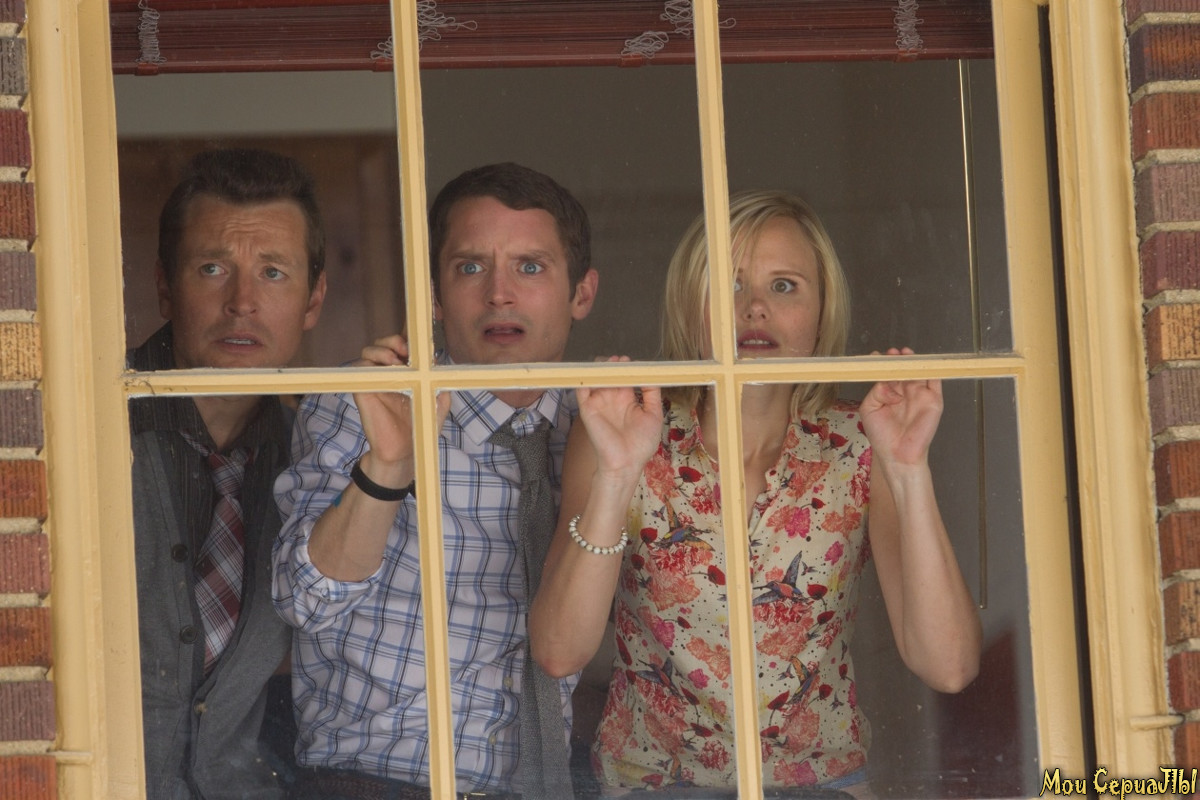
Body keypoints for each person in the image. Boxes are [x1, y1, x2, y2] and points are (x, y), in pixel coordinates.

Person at [529, 190, 982, 795]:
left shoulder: (860, 441)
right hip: (655, 788)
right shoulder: (626, 428)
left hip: (820, 789)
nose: (756, 308)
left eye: (785, 285)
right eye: (730, 284)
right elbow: (559, 652)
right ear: (690, 304)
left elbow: (949, 667)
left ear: (822, 312)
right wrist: (615, 474)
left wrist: (908, 468)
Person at [272, 162, 600, 799]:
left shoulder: (602, 425)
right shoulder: (366, 402)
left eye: (530, 267)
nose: (499, 293)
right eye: (470, 267)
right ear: (434, 296)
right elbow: (303, 601)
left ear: (581, 294)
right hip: (373, 783)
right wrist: (390, 466)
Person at [129, 147, 328, 799]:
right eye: (213, 268)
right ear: (165, 286)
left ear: (314, 299)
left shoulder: (316, 455)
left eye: (273, 272)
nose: (242, 302)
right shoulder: (81, 428)